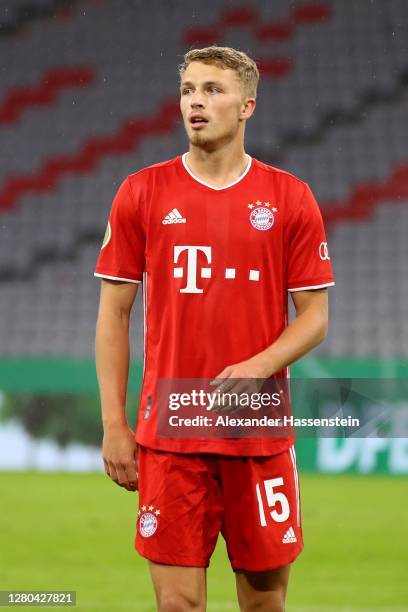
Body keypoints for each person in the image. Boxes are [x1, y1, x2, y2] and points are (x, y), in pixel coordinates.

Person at [95, 46, 334, 612]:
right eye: (188, 91)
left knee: (263, 604)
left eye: (212, 90)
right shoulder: (142, 191)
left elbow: (316, 318)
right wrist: (113, 423)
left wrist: (259, 365)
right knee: (178, 604)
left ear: (247, 105)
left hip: (258, 432)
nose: (196, 102)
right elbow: (114, 314)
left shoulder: (289, 197)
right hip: (171, 433)